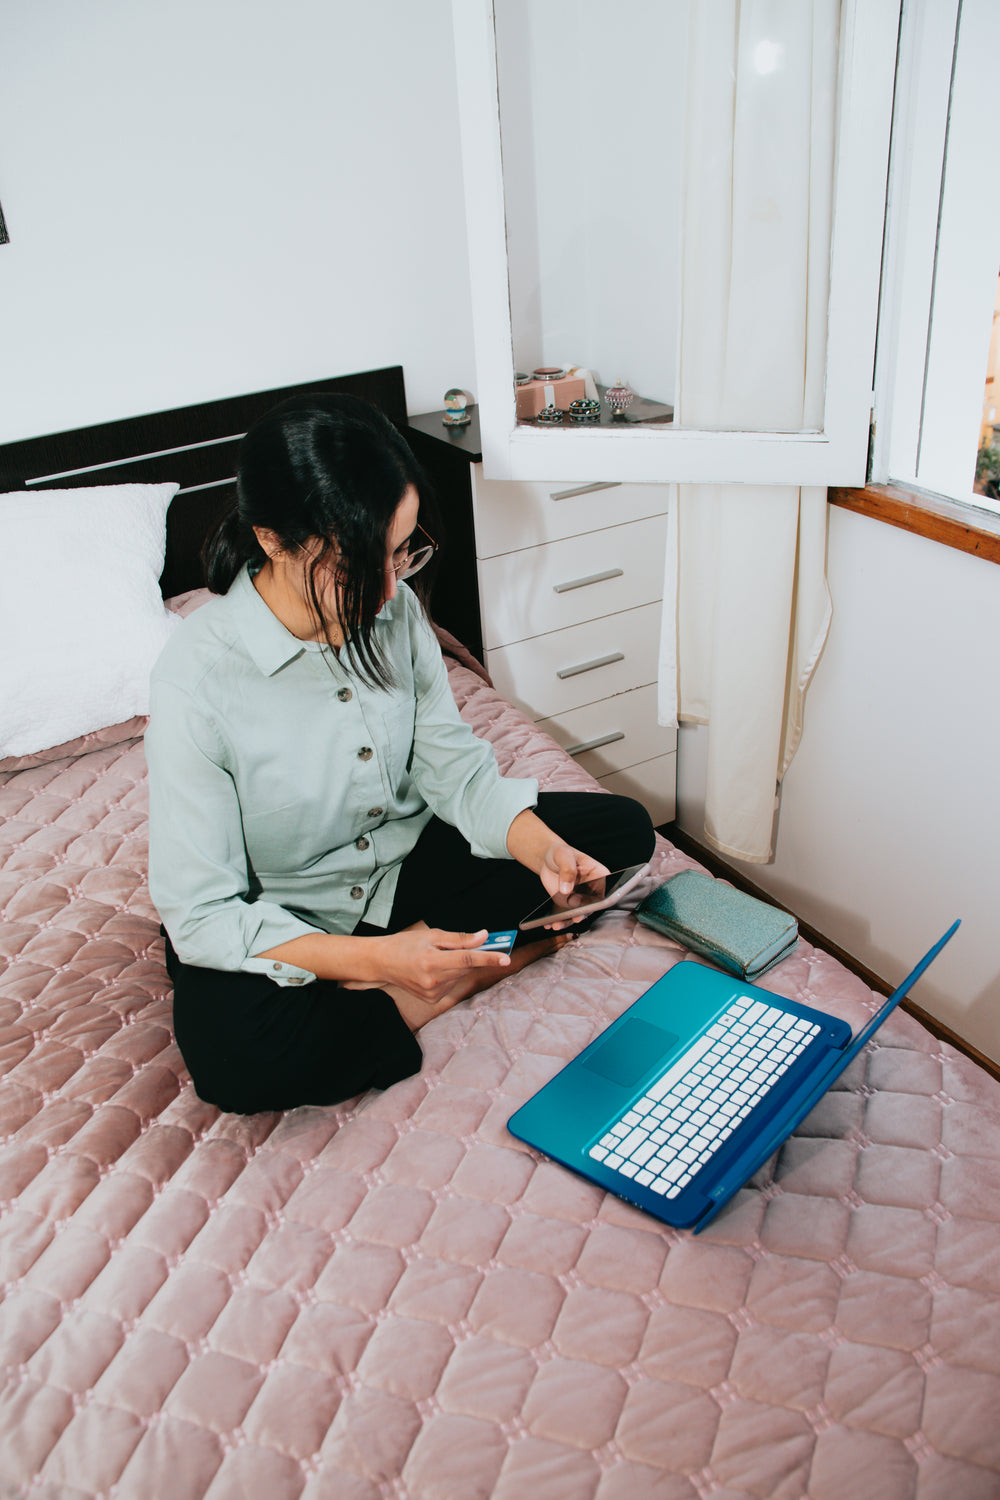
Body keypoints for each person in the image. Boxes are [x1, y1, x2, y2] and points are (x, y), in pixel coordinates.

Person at [145, 394, 655, 1113]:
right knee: (236, 1061)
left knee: (620, 834)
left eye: (400, 553)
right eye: (360, 563)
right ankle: (444, 980)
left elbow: (452, 769)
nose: (390, 591)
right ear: (273, 539)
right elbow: (200, 912)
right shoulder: (194, 683)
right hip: (287, 910)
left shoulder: (396, 609)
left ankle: (434, 963)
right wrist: (381, 961)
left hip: (402, 864)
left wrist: (541, 848)